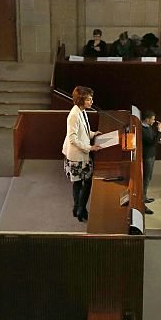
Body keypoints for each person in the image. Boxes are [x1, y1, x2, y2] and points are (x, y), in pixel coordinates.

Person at [63, 86, 102, 222]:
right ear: (81, 100)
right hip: (77, 156)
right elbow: (73, 138)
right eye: (89, 99)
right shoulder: (73, 115)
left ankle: (78, 208)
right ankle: (80, 209)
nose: (91, 102)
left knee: (79, 183)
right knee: (83, 182)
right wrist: (90, 148)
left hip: (81, 153)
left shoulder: (82, 111)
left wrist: (93, 134)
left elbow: (84, 130)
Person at [140, 111, 161, 214]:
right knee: (146, 179)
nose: (154, 121)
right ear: (147, 119)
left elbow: (153, 138)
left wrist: (159, 139)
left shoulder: (148, 127)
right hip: (147, 157)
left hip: (151, 155)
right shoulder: (142, 129)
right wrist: (159, 130)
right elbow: (151, 142)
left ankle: (145, 197)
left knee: (148, 178)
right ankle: (142, 202)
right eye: (153, 119)